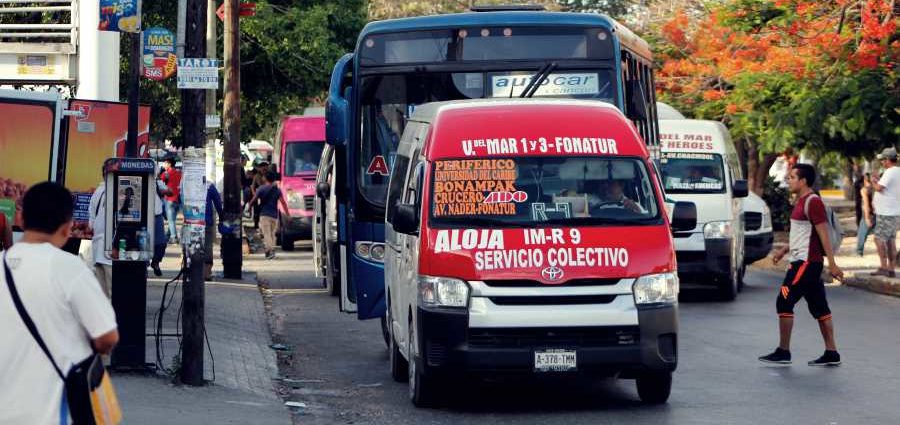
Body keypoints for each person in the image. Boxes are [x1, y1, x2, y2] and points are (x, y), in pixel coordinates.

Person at [0, 181, 119, 425]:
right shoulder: (70, 269)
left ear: (21, 219)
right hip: (53, 412)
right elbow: (107, 336)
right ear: (67, 228)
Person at [759, 164, 844, 367]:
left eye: (792, 177)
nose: (789, 180)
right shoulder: (802, 201)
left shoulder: (813, 202)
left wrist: (832, 264)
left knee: (784, 302)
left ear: (803, 180)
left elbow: (822, 233)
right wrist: (784, 250)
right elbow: (805, 234)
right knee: (819, 307)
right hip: (803, 260)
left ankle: (783, 351)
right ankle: (832, 353)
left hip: (805, 263)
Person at [245, 171, 290, 259]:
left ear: (265, 178)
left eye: (263, 177)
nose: (262, 178)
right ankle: (269, 250)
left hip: (264, 215)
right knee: (272, 234)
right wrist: (287, 214)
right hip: (274, 215)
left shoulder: (261, 189)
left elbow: (254, 200)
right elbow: (283, 202)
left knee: (267, 234)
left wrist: (249, 207)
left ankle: (270, 251)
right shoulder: (277, 190)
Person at [870, 147, 900, 277]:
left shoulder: (890, 172)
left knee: (878, 239)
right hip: (893, 211)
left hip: (886, 212)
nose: (882, 162)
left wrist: (873, 181)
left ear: (888, 160)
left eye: (883, 160)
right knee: (890, 240)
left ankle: (884, 266)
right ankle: (891, 268)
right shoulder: (898, 171)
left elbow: (879, 188)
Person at [88, 167, 112, 298]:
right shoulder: (113, 192)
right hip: (109, 250)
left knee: (101, 294)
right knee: (111, 292)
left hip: (97, 248)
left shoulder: (97, 192)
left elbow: (91, 222)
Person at [150, 171, 171, 277]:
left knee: (161, 243)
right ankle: (143, 268)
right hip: (142, 217)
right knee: (142, 244)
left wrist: (165, 191)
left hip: (157, 216)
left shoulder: (157, 182)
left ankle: (156, 262)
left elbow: (169, 191)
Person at [160, 157, 183, 244]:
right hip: (177, 198)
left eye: (165, 163)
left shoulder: (166, 173)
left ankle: (174, 237)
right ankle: (168, 235)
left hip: (169, 199)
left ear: (169, 164)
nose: (164, 165)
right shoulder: (179, 173)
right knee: (172, 218)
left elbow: (159, 183)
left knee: (170, 220)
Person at [204, 180, 224, 280]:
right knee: (207, 246)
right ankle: (206, 273)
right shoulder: (209, 185)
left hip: (191, 222)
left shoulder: (185, 182)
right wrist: (221, 217)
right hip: (206, 221)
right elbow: (218, 201)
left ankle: (193, 272)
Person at [857, 173, 875, 257]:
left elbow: (866, 204)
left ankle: (859, 251)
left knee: (862, 233)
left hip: (867, 214)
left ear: (864, 179)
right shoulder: (874, 189)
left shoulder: (864, 190)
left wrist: (867, 217)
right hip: (876, 214)